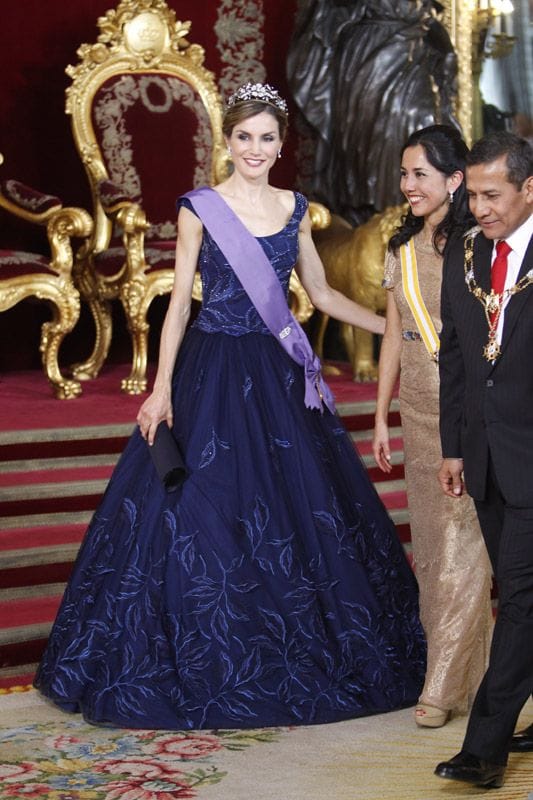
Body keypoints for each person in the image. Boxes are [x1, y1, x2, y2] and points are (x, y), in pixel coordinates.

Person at [34, 83, 426, 730]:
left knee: (295, 513)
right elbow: (180, 304)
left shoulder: (296, 209)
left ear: (279, 145)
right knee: (196, 508)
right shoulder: (200, 208)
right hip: (209, 372)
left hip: (275, 375)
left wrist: (400, 329)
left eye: (266, 138)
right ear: (227, 143)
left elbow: (322, 296)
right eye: (243, 137)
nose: (254, 148)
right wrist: (161, 388)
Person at [373, 125, 494, 730]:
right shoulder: (399, 248)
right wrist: (378, 414)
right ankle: (472, 670)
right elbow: (395, 334)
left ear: (454, 181)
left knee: (460, 550)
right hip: (415, 412)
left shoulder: (477, 249)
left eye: (420, 174)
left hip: (466, 411)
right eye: (403, 174)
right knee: (430, 553)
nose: (408, 185)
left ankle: (442, 685)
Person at [435, 131, 533, 788]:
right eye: (470, 193)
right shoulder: (465, 252)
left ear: (529, 189)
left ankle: (483, 748)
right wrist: (451, 444)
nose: (478, 207)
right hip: (485, 455)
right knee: (521, 595)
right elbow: (455, 356)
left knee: (522, 602)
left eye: (491, 194)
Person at [286, 0, 459, 224]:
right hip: (371, 47)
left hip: (417, 46)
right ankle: (374, 217)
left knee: (424, 122)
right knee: (373, 139)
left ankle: (418, 214)